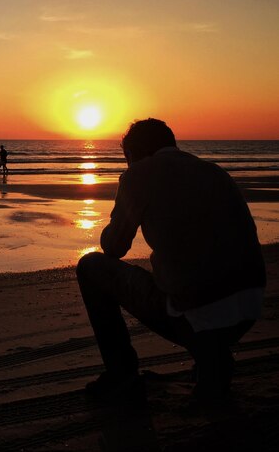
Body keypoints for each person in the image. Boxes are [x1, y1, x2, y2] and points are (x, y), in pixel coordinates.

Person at [76, 118, 266, 402]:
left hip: (197, 316)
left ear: (132, 155)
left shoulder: (138, 175)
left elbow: (113, 247)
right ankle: (210, 357)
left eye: (127, 158)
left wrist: (123, 207)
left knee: (90, 266)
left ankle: (121, 373)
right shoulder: (214, 172)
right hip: (248, 309)